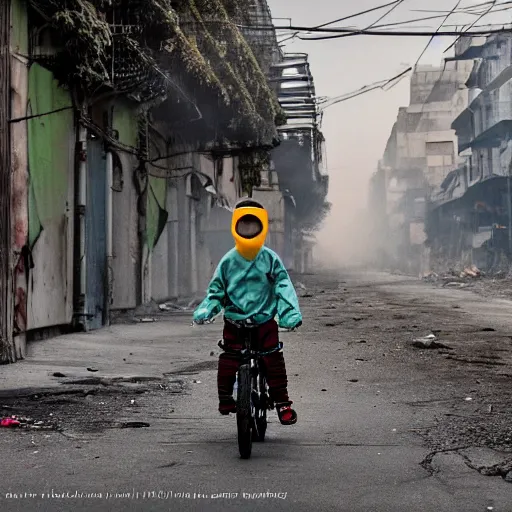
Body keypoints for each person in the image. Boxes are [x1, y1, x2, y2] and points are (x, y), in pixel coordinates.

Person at [193, 198, 302, 425]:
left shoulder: (270, 259)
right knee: (228, 361)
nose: (249, 231)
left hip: (264, 321)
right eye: (245, 226)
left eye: (253, 226)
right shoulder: (228, 261)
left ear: (262, 227)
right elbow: (216, 291)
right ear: (235, 226)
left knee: (273, 359)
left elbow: (283, 286)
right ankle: (225, 398)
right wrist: (207, 309)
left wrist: (288, 313)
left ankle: (282, 403)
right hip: (235, 322)